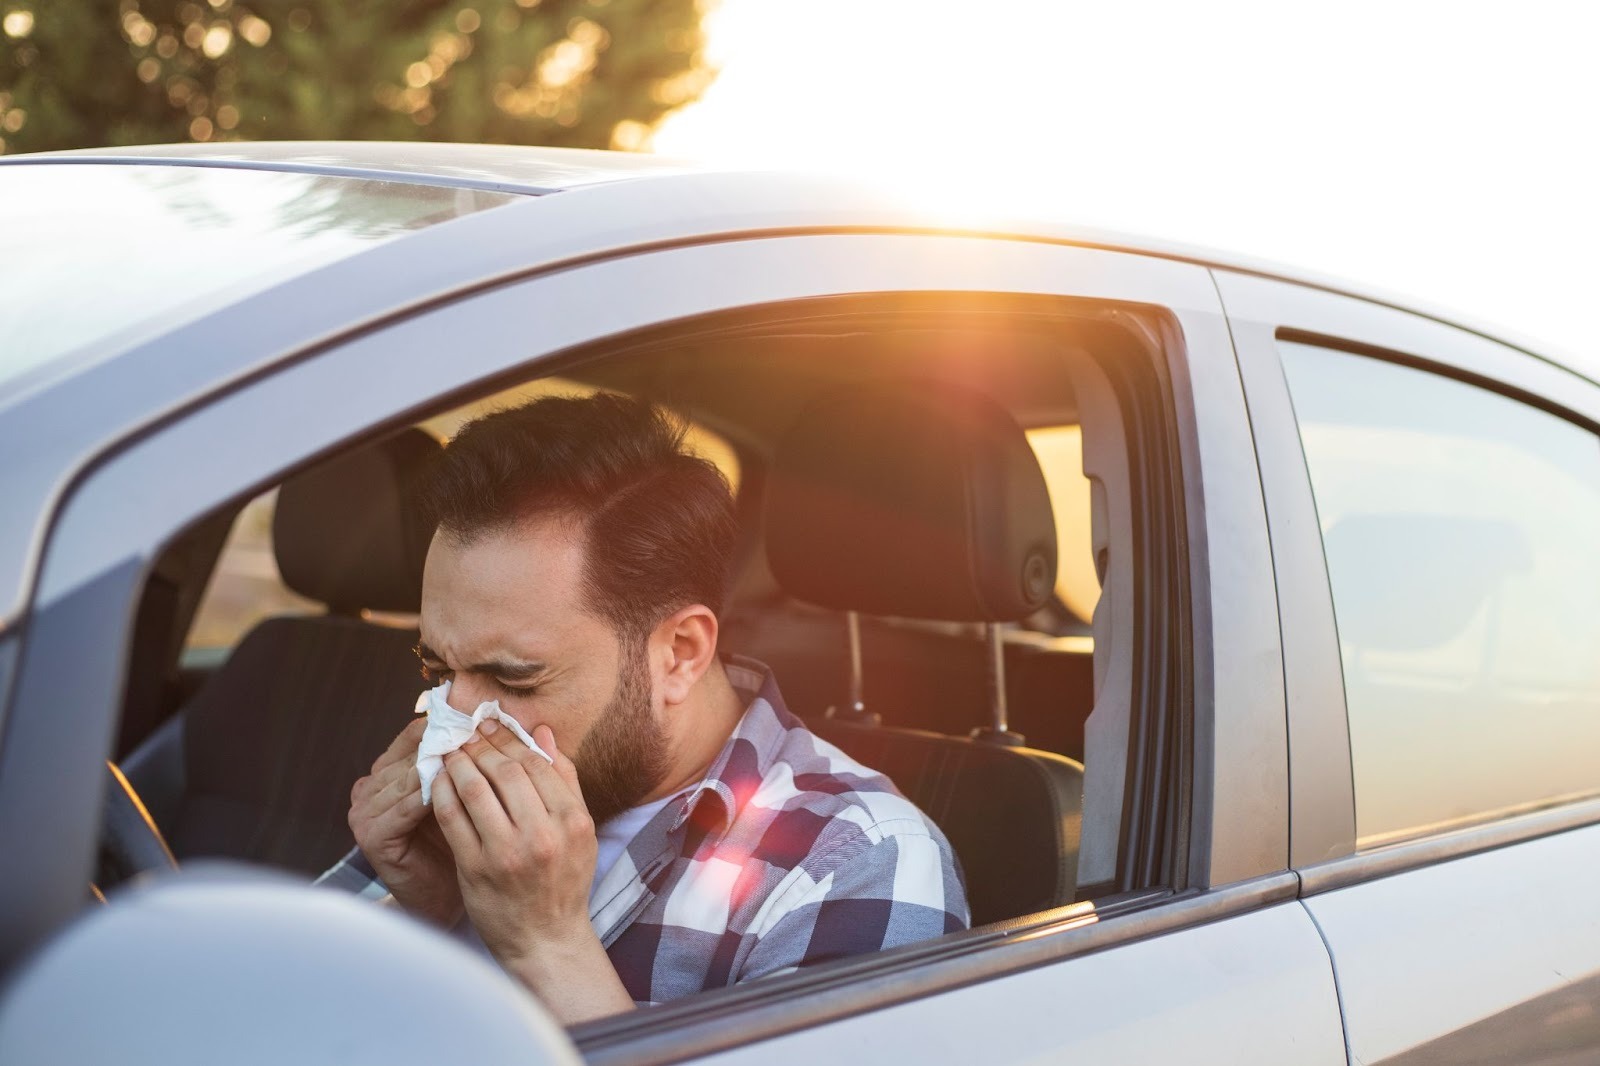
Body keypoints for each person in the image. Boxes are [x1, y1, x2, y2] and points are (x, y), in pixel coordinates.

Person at [317, 393, 967, 1024]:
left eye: (513, 678)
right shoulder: (438, 809)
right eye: (437, 669)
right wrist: (419, 920)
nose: (455, 717)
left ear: (680, 653)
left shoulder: (857, 863)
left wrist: (548, 946)